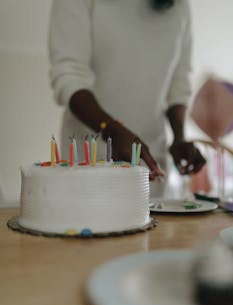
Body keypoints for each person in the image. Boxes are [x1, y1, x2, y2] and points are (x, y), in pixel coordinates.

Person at [48, 0, 206, 196]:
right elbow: (69, 76)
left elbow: (178, 84)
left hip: (151, 167)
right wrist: (110, 129)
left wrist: (179, 137)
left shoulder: (180, 7)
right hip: (88, 165)